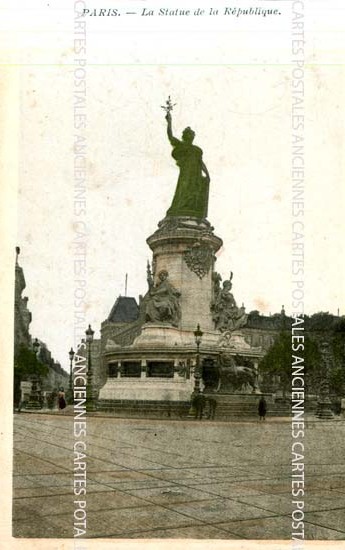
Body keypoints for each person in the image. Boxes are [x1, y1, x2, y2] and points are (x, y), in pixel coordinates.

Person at [165, 111, 210, 219]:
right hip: (186, 173)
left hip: (196, 174)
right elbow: (170, 136)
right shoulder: (181, 145)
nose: (191, 136)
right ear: (185, 136)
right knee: (183, 189)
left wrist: (207, 173)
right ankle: (180, 207)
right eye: (189, 134)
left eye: (192, 134)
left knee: (195, 192)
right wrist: (169, 122)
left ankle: (191, 210)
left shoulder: (197, 150)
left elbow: (201, 162)